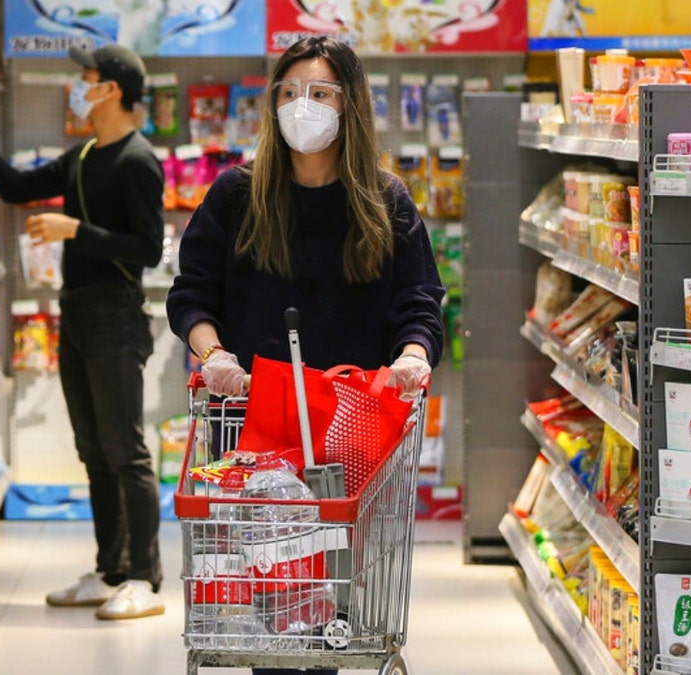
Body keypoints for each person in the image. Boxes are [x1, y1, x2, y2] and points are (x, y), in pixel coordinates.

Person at [166, 35, 445, 674]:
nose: (302, 106)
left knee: (342, 606)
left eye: (320, 93)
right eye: (289, 93)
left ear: (351, 107)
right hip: (255, 427)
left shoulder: (385, 201)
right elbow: (193, 293)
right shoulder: (236, 196)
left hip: (353, 430)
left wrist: (411, 356)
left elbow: (419, 302)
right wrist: (212, 356)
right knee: (279, 609)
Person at [0, 44, 166, 621]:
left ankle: (144, 577)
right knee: (93, 451)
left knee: (125, 450)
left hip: (116, 313)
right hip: (78, 312)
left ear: (111, 88)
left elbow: (147, 248)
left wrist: (74, 230)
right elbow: (17, 187)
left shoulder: (139, 160)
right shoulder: (85, 153)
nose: (80, 86)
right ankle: (110, 569)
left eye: (87, 77)